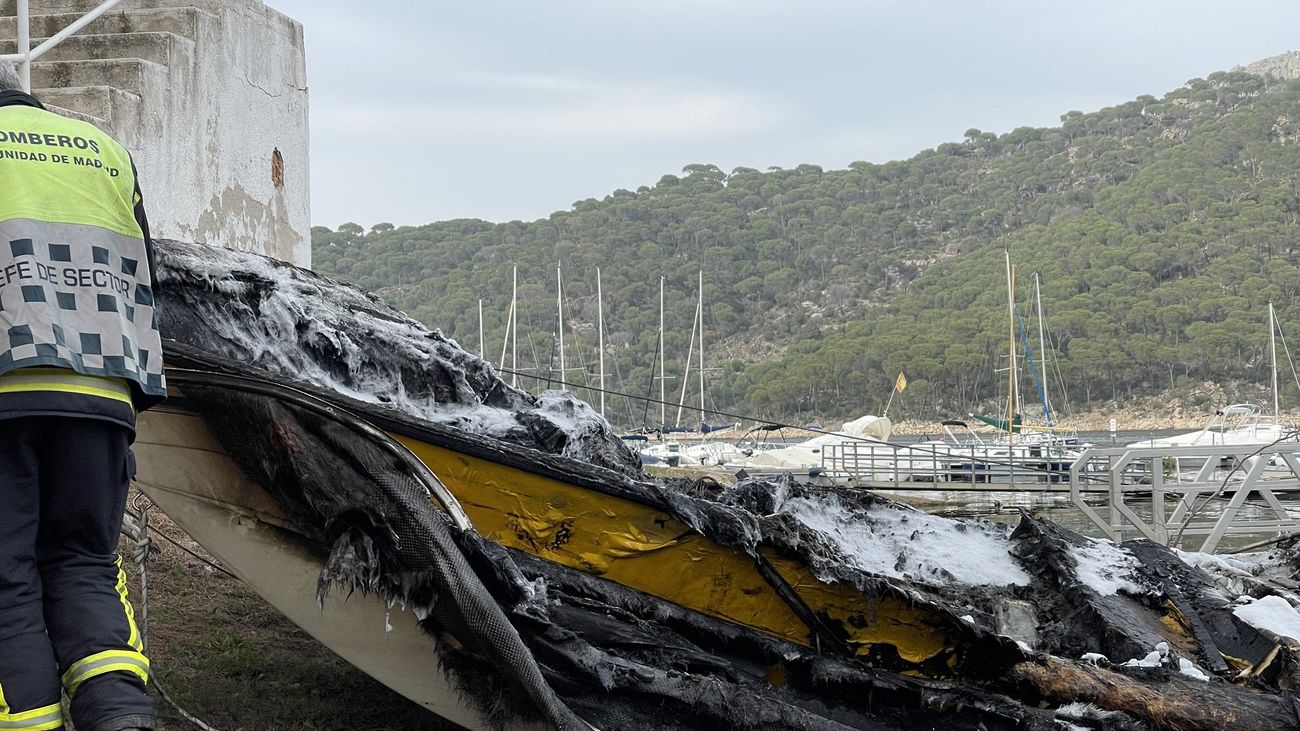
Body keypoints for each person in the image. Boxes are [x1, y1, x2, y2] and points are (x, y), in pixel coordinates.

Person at [0, 61, 166, 731]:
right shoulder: (103, 150)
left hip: (6, 389)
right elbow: (147, 274)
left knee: (5, 577)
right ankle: (123, 718)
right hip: (102, 394)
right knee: (84, 563)